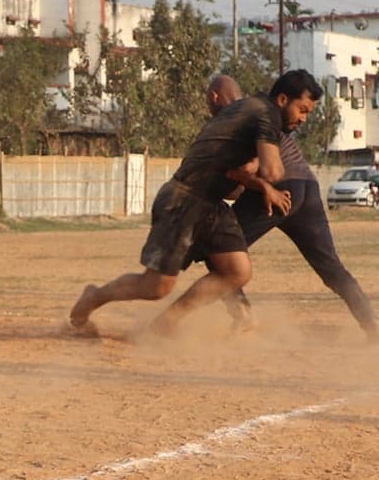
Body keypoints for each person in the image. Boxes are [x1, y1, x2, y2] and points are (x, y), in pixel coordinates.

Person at [69, 81, 284, 336]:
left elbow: (235, 184)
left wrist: (258, 181)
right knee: (156, 287)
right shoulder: (229, 127)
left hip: (212, 205)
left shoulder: (245, 123)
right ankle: (95, 296)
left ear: (214, 97)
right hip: (184, 200)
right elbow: (236, 177)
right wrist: (264, 185)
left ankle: (168, 323)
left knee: (237, 270)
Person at [213, 70, 379, 339]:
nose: (303, 119)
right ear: (282, 100)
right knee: (330, 267)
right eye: (302, 111)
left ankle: (242, 313)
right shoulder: (261, 113)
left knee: (218, 249)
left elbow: (251, 167)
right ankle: (372, 324)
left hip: (280, 188)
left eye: (306, 112)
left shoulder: (253, 115)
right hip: (307, 187)